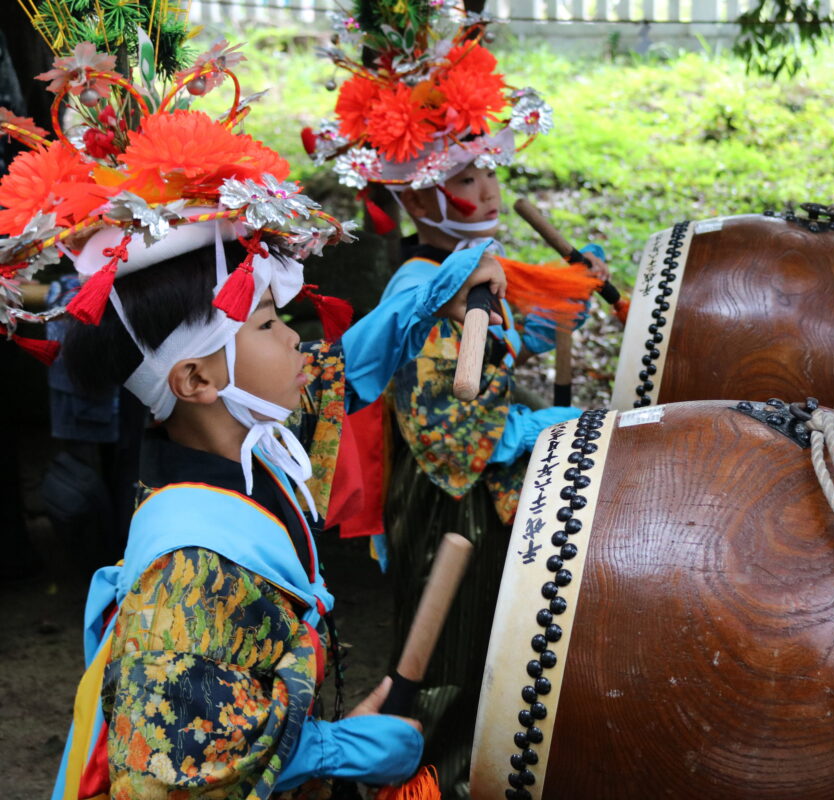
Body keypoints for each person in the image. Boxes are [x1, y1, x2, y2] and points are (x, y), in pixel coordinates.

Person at [0, 28, 503, 800]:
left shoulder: (247, 446)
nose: (295, 339)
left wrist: (448, 284)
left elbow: (351, 368)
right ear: (199, 378)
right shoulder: (190, 572)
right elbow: (177, 770)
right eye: (268, 324)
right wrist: (326, 752)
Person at [309, 6, 611, 795]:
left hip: (476, 488)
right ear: (416, 199)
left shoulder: (473, 268)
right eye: (461, 177)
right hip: (451, 504)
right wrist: (559, 427)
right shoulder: (427, 288)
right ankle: (428, 780)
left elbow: (506, 349)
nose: (485, 190)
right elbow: (455, 435)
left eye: (486, 171)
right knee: (451, 663)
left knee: (495, 658)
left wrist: (555, 314)